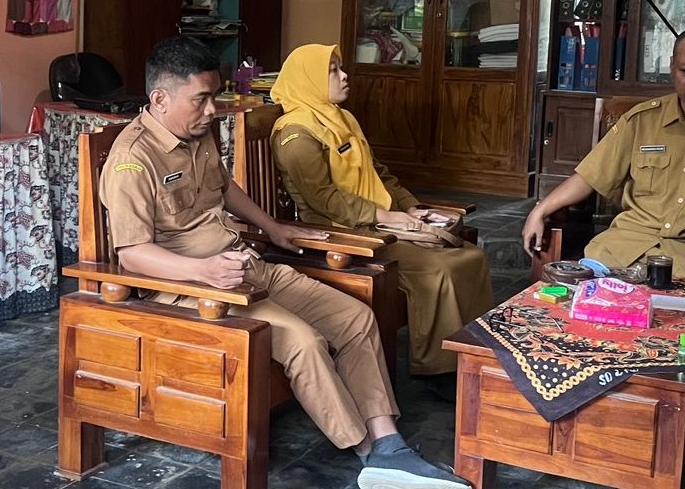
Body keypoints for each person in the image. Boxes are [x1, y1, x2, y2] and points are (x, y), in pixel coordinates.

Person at [99, 36, 472, 489]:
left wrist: (272, 227)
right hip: (192, 287)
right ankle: (365, 451)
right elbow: (132, 254)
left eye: (214, 97)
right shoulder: (132, 161)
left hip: (245, 265)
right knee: (304, 342)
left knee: (355, 318)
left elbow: (225, 187)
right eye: (201, 99)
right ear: (160, 99)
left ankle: (388, 442)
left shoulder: (195, 133)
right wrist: (203, 271)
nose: (212, 110)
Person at [269, 44, 493, 384]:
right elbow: (325, 200)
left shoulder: (341, 118)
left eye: (340, 67)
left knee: (471, 257)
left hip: (377, 222)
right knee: (441, 269)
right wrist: (386, 218)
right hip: (342, 232)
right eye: (332, 70)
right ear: (309, 80)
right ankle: (439, 369)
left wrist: (410, 207)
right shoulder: (296, 134)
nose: (344, 75)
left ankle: (477, 356)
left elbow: (380, 174)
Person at [523, 32, 685, 276]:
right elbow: (590, 176)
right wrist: (540, 211)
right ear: (672, 67)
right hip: (628, 246)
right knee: (580, 287)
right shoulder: (642, 121)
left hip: (681, 256)